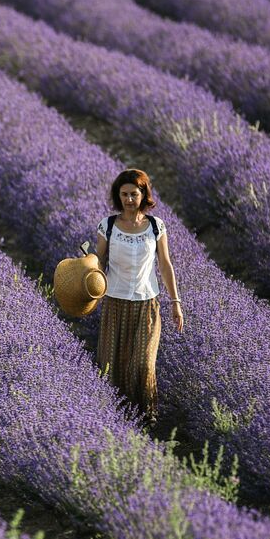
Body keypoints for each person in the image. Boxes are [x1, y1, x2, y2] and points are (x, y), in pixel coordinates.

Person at [92, 168, 183, 425]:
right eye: (124, 194)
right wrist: (86, 272)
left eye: (134, 194)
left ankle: (146, 415)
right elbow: (99, 259)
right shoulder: (108, 225)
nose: (129, 199)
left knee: (143, 363)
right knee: (113, 362)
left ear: (144, 194)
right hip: (115, 301)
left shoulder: (156, 226)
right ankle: (113, 415)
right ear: (117, 196)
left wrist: (176, 302)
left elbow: (165, 265)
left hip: (147, 303)